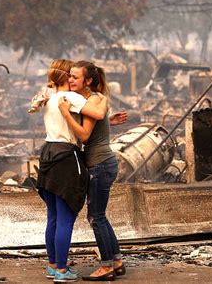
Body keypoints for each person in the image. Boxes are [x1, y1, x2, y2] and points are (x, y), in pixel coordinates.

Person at [33, 59, 108, 283]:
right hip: (66, 157)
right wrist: (102, 96)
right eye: (72, 75)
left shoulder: (50, 98)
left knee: (53, 217)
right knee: (66, 218)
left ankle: (53, 265)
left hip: (48, 153)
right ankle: (63, 272)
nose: (75, 79)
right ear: (67, 76)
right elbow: (98, 113)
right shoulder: (71, 98)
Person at [58, 60, 127, 281]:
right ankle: (116, 260)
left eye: (75, 77)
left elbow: (85, 136)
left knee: (96, 217)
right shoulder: (94, 100)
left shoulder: (92, 101)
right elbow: (97, 124)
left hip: (100, 164)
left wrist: (66, 113)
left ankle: (106, 265)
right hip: (103, 163)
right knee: (99, 216)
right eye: (69, 76)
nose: (70, 80)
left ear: (88, 80)